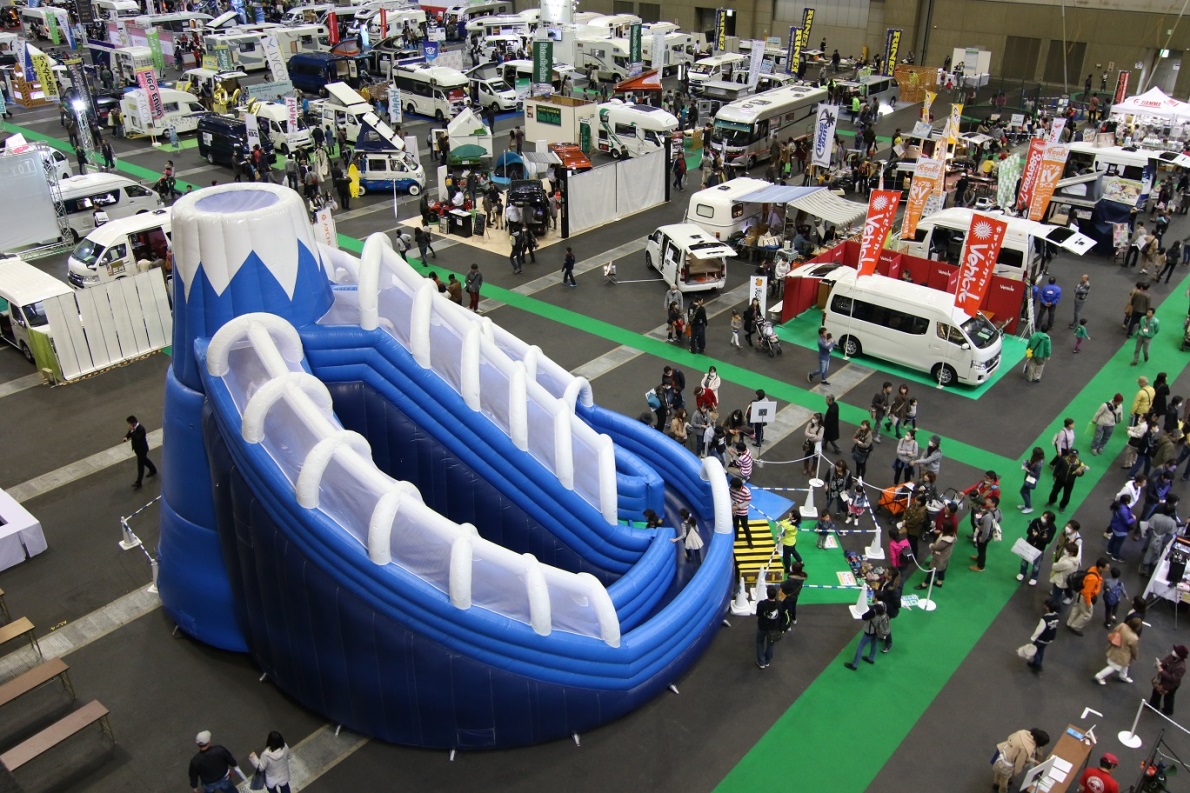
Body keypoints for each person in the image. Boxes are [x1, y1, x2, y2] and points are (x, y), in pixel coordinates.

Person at [991, 728, 1050, 793]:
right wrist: (1016, 772)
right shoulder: (1026, 748)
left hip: (1002, 754)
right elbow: (1020, 761)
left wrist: (1033, 760)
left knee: (998, 774)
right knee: (1004, 782)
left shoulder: (1022, 733)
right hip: (1006, 765)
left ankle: (996, 784)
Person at [1093, 616, 1141, 684]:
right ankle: (1099, 676)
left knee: (1126, 664)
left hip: (1115, 648)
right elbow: (1134, 649)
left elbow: (1115, 631)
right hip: (1122, 655)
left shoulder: (1122, 625)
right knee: (1113, 667)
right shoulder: (1134, 638)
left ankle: (1123, 676)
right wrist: (1135, 656)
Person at [843, 601, 890, 670]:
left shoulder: (873, 610)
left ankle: (854, 664)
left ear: (876, 598)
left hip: (869, 631)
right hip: (878, 631)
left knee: (861, 646)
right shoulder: (883, 607)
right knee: (874, 644)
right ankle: (871, 658)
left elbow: (864, 617)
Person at [1068, 557, 1108, 635]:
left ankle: (1069, 623)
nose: (1107, 569)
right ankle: (1075, 626)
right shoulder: (1093, 578)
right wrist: (1088, 604)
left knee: (1077, 608)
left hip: (1080, 593)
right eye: (1106, 568)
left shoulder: (1092, 568)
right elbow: (1087, 592)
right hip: (1084, 597)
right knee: (1087, 614)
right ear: (1100, 567)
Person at [915, 517, 956, 590]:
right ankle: (939, 582)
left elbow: (937, 547)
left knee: (931, 571)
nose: (941, 526)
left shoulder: (945, 540)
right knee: (942, 568)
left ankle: (924, 584)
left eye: (943, 525)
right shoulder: (952, 535)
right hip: (945, 556)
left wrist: (931, 545)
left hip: (939, 558)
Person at [1018, 510, 1056, 585]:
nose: (1043, 518)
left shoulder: (1052, 528)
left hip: (1039, 548)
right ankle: (1022, 573)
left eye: (1046, 517)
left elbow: (1047, 540)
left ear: (1050, 520)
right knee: (1024, 561)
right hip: (1029, 544)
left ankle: (1034, 577)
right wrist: (1035, 535)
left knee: (1036, 565)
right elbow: (1028, 531)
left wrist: (1037, 536)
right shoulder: (1036, 521)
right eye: (1043, 516)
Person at [1151, 644, 1189, 716]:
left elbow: (1173, 678)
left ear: (1179, 656)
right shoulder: (1172, 657)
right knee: (1156, 691)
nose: (1173, 651)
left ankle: (1168, 710)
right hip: (1164, 680)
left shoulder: (1181, 667)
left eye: (1176, 651)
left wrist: (1162, 671)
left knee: (1169, 697)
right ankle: (1154, 705)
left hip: (1171, 685)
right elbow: (1166, 660)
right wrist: (1160, 663)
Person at [1026, 599, 1061, 672]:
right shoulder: (1056, 616)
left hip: (1042, 638)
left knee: (1034, 650)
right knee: (1041, 650)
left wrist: (1033, 638)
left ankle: (1037, 664)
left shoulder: (1045, 619)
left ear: (1048, 608)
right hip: (1049, 638)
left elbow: (1039, 630)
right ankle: (1038, 662)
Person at [969, 495, 1001, 572]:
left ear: (993, 504)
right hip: (991, 532)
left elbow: (986, 531)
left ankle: (980, 567)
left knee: (982, 550)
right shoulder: (998, 510)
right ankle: (979, 558)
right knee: (982, 549)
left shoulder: (987, 517)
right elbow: (1000, 519)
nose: (986, 501)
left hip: (984, 535)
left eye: (989, 501)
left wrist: (982, 539)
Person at [124, 415, 157, 489]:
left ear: (133, 423)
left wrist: (132, 431)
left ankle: (139, 482)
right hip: (137, 449)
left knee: (140, 465)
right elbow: (129, 433)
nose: (128, 425)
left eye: (129, 423)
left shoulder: (141, 429)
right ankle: (153, 470)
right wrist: (126, 437)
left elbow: (138, 437)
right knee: (145, 460)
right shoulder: (133, 428)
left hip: (142, 450)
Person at [755, 585, 783, 669]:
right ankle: (767, 661)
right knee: (770, 644)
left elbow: (758, 614)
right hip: (774, 627)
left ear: (767, 594)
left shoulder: (761, 604)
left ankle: (761, 662)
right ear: (776, 595)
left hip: (762, 626)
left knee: (760, 642)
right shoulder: (779, 604)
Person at [1106, 494, 1137, 562]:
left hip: (1114, 526)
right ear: (1126, 501)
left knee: (1113, 538)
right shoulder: (1124, 510)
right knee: (1118, 543)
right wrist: (1133, 519)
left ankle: (1109, 550)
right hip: (1121, 529)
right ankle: (1115, 556)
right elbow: (1127, 522)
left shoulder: (1117, 505)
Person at [730, 477, 753, 547]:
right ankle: (736, 537)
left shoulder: (746, 492)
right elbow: (730, 497)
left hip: (743, 512)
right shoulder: (731, 489)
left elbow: (747, 502)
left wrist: (737, 507)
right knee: (735, 525)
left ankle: (749, 541)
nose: (733, 489)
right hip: (734, 512)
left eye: (735, 488)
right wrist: (733, 503)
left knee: (745, 526)